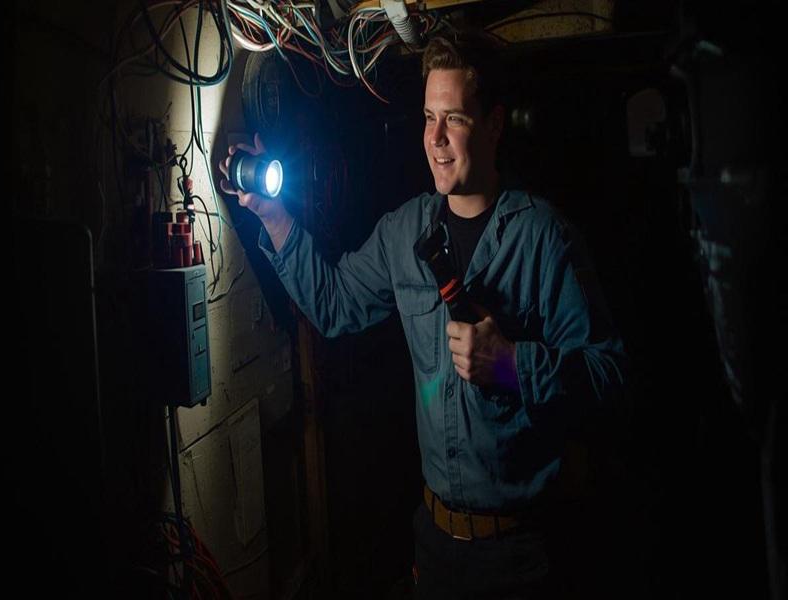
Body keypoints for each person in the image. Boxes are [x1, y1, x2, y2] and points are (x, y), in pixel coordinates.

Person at [220, 32, 625, 600]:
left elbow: (610, 377)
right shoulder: (405, 230)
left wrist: (513, 366)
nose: (435, 139)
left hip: (522, 554)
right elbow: (334, 306)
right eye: (429, 118)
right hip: (435, 544)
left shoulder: (544, 238)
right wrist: (273, 215)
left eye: (453, 118)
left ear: (493, 125)